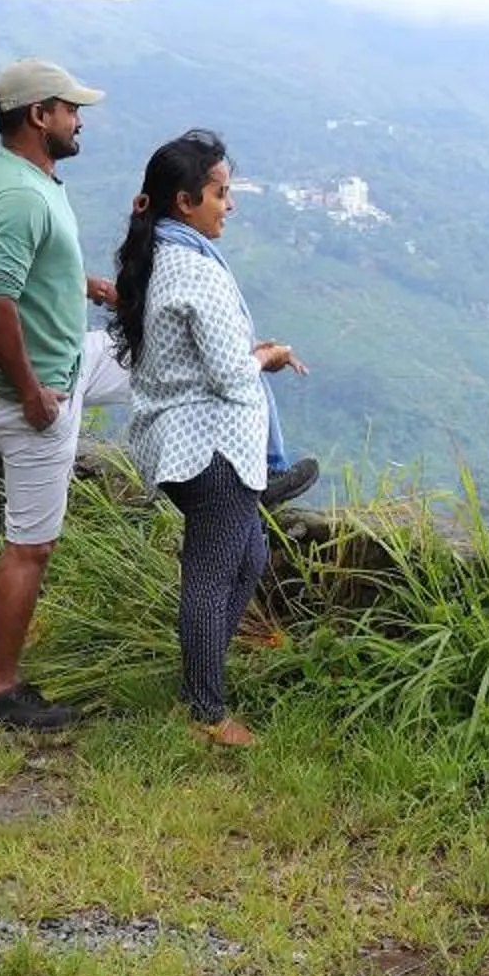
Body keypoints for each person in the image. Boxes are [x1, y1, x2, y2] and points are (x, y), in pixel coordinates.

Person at [112, 130, 312, 747]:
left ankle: (200, 683)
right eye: (221, 193)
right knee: (210, 575)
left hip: (184, 440)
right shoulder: (195, 271)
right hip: (212, 448)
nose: (230, 205)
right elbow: (228, 373)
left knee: (249, 558)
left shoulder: (162, 258)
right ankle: (205, 712)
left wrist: (248, 357)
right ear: (185, 202)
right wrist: (267, 357)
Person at [0, 57, 131, 732]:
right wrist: (34, 394)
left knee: (167, 365)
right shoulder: (21, 197)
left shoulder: (33, 180)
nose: (79, 118)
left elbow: (29, 273)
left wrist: (82, 284)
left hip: (71, 360)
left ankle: (240, 472)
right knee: (30, 545)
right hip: (40, 390)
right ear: (40, 115)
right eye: (70, 108)